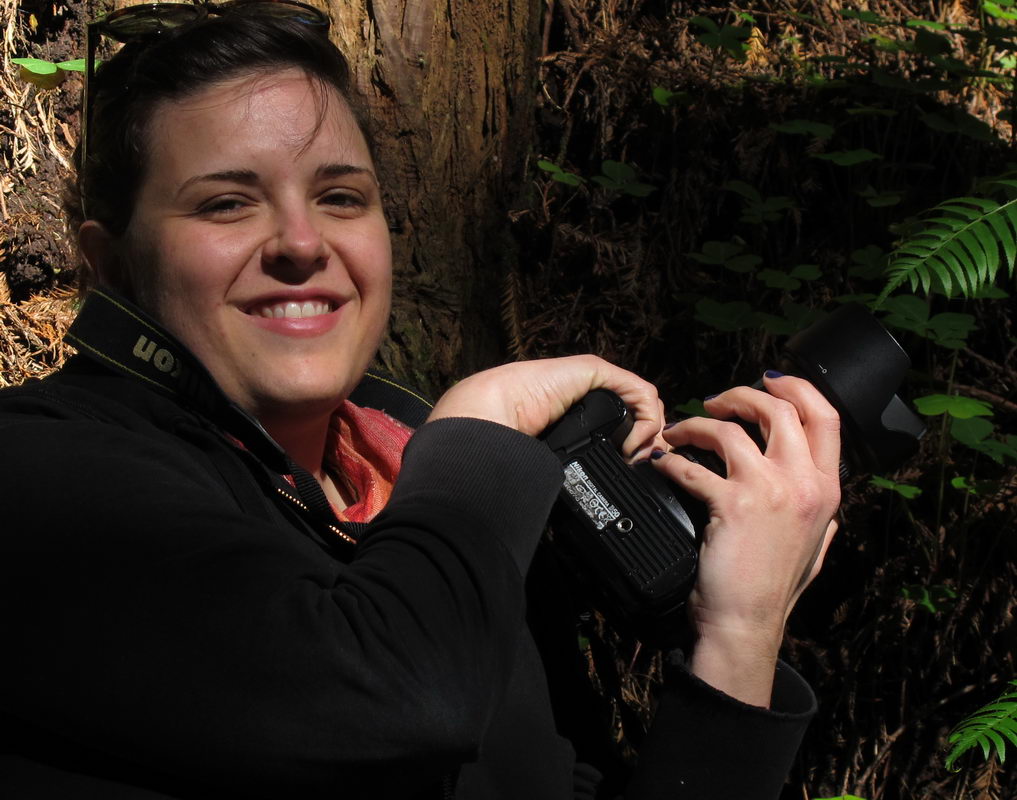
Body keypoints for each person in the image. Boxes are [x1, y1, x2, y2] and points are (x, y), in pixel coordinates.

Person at [0, 5, 841, 798]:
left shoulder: (432, 498)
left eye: (340, 197)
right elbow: (392, 702)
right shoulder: (37, 476)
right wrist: (477, 430)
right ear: (110, 266)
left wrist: (738, 635)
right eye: (226, 203)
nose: (302, 243)